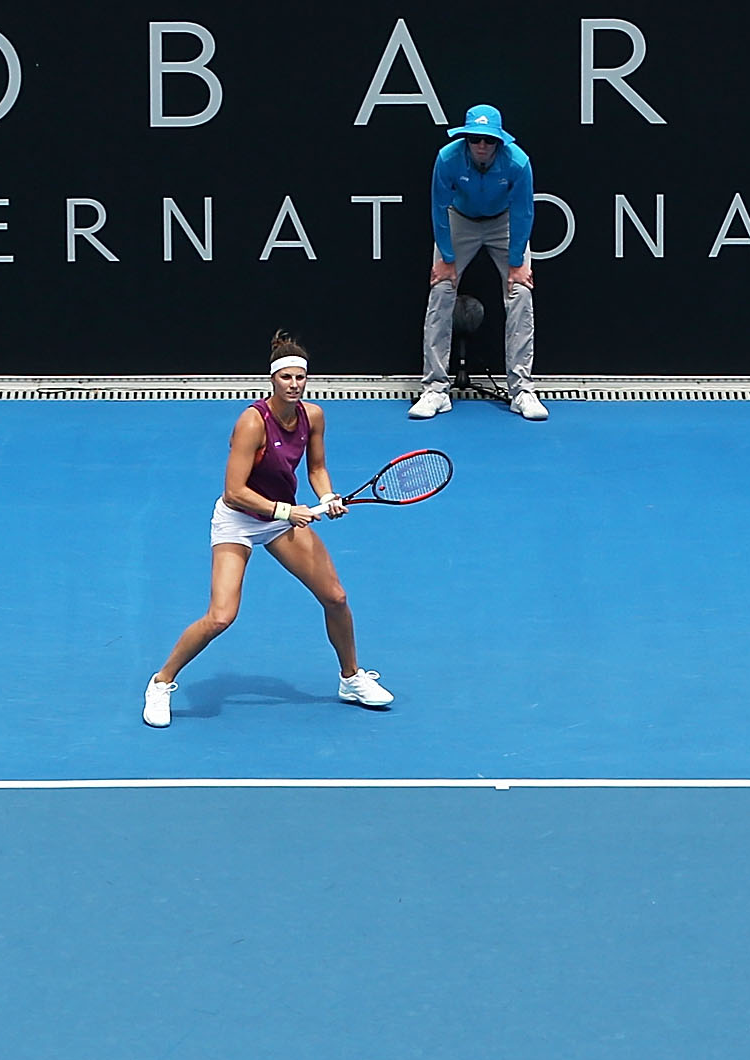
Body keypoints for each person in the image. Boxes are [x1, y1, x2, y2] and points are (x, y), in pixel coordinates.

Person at [142, 331, 390, 727]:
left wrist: (327, 498)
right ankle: (161, 682)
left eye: (300, 378)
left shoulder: (314, 417)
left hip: (279, 519)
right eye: (286, 378)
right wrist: (285, 511)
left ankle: (351, 678)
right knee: (221, 616)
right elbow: (234, 491)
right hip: (239, 520)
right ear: (272, 380)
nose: (294, 385)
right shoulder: (252, 422)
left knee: (336, 597)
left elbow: (316, 469)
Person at [409, 105, 545, 424]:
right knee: (441, 289)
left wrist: (516, 263)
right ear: (466, 139)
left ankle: (522, 390)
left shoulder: (518, 162)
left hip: (505, 221)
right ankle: (436, 389)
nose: (481, 146)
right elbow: (438, 207)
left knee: (521, 292)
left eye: (488, 140)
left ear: (499, 142)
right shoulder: (447, 158)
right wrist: (447, 257)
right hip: (460, 221)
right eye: (475, 139)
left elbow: (524, 212)